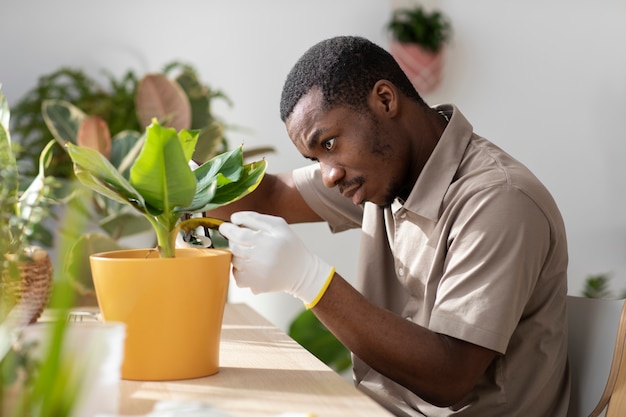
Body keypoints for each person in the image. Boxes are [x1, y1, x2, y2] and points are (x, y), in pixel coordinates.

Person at [212, 35, 570, 416]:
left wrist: (310, 281)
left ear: (385, 100)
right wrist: (189, 187)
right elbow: (268, 197)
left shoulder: (499, 199)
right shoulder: (382, 172)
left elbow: (448, 376)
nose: (328, 176)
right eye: (314, 158)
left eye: (329, 144)